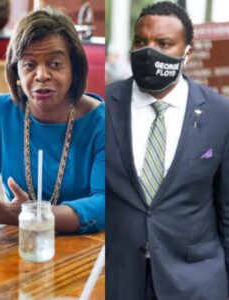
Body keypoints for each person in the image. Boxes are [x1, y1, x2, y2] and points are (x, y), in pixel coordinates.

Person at [106, 2, 229, 299]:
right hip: (118, 279)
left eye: (163, 43)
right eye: (140, 41)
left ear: (187, 52)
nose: (148, 52)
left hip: (195, 282)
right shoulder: (104, 105)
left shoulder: (219, 112)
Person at [0, 8, 105, 233]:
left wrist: (29, 216)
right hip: (19, 246)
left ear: (74, 69)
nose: (41, 75)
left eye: (55, 64)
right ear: (16, 71)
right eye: (29, 64)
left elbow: (104, 204)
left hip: (87, 249)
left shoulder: (102, 123)